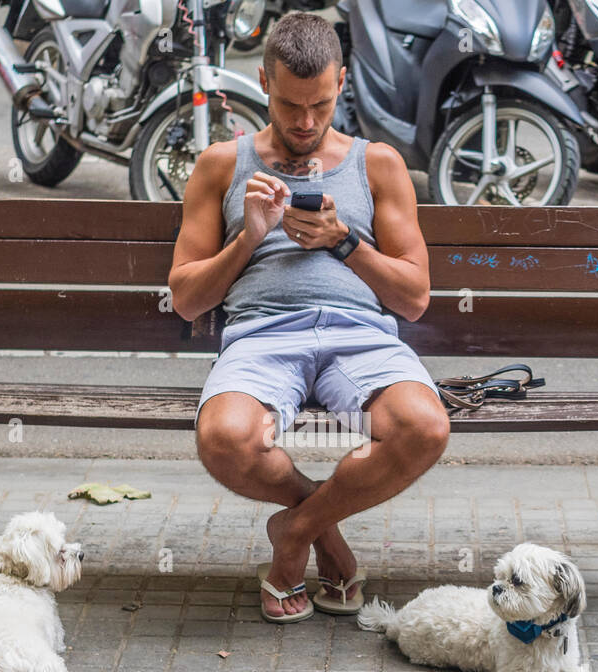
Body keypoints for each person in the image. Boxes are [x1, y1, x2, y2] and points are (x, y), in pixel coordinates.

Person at [168, 12, 450, 624]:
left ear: (341, 83)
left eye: (319, 105)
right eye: (290, 104)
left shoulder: (378, 165)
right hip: (263, 336)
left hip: (360, 336)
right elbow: (187, 299)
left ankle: (292, 535)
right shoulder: (221, 164)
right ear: (264, 81)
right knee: (224, 439)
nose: (304, 122)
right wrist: (249, 238)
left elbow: (415, 297)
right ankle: (326, 537)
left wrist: (345, 242)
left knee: (425, 428)